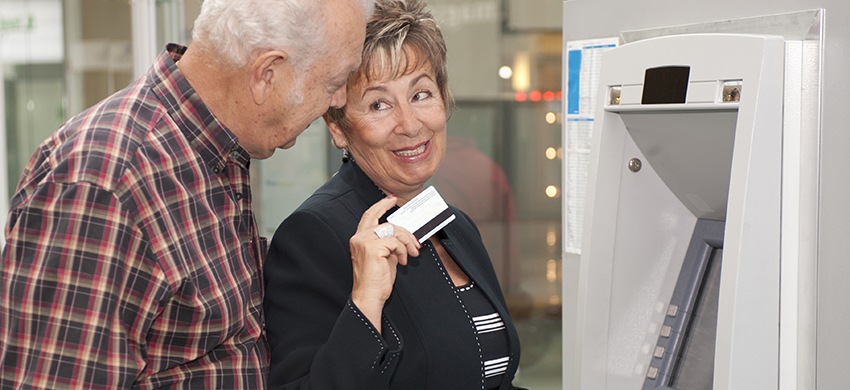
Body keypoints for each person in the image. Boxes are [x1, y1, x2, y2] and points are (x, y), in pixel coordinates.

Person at [0, 0, 371, 388]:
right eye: (333, 83)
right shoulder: (108, 185)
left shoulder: (214, 155)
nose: (340, 100)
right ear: (267, 73)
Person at [263, 0, 525, 389]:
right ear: (338, 128)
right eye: (379, 104)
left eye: (421, 94)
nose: (410, 123)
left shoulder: (457, 227)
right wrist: (365, 303)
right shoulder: (313, 235)